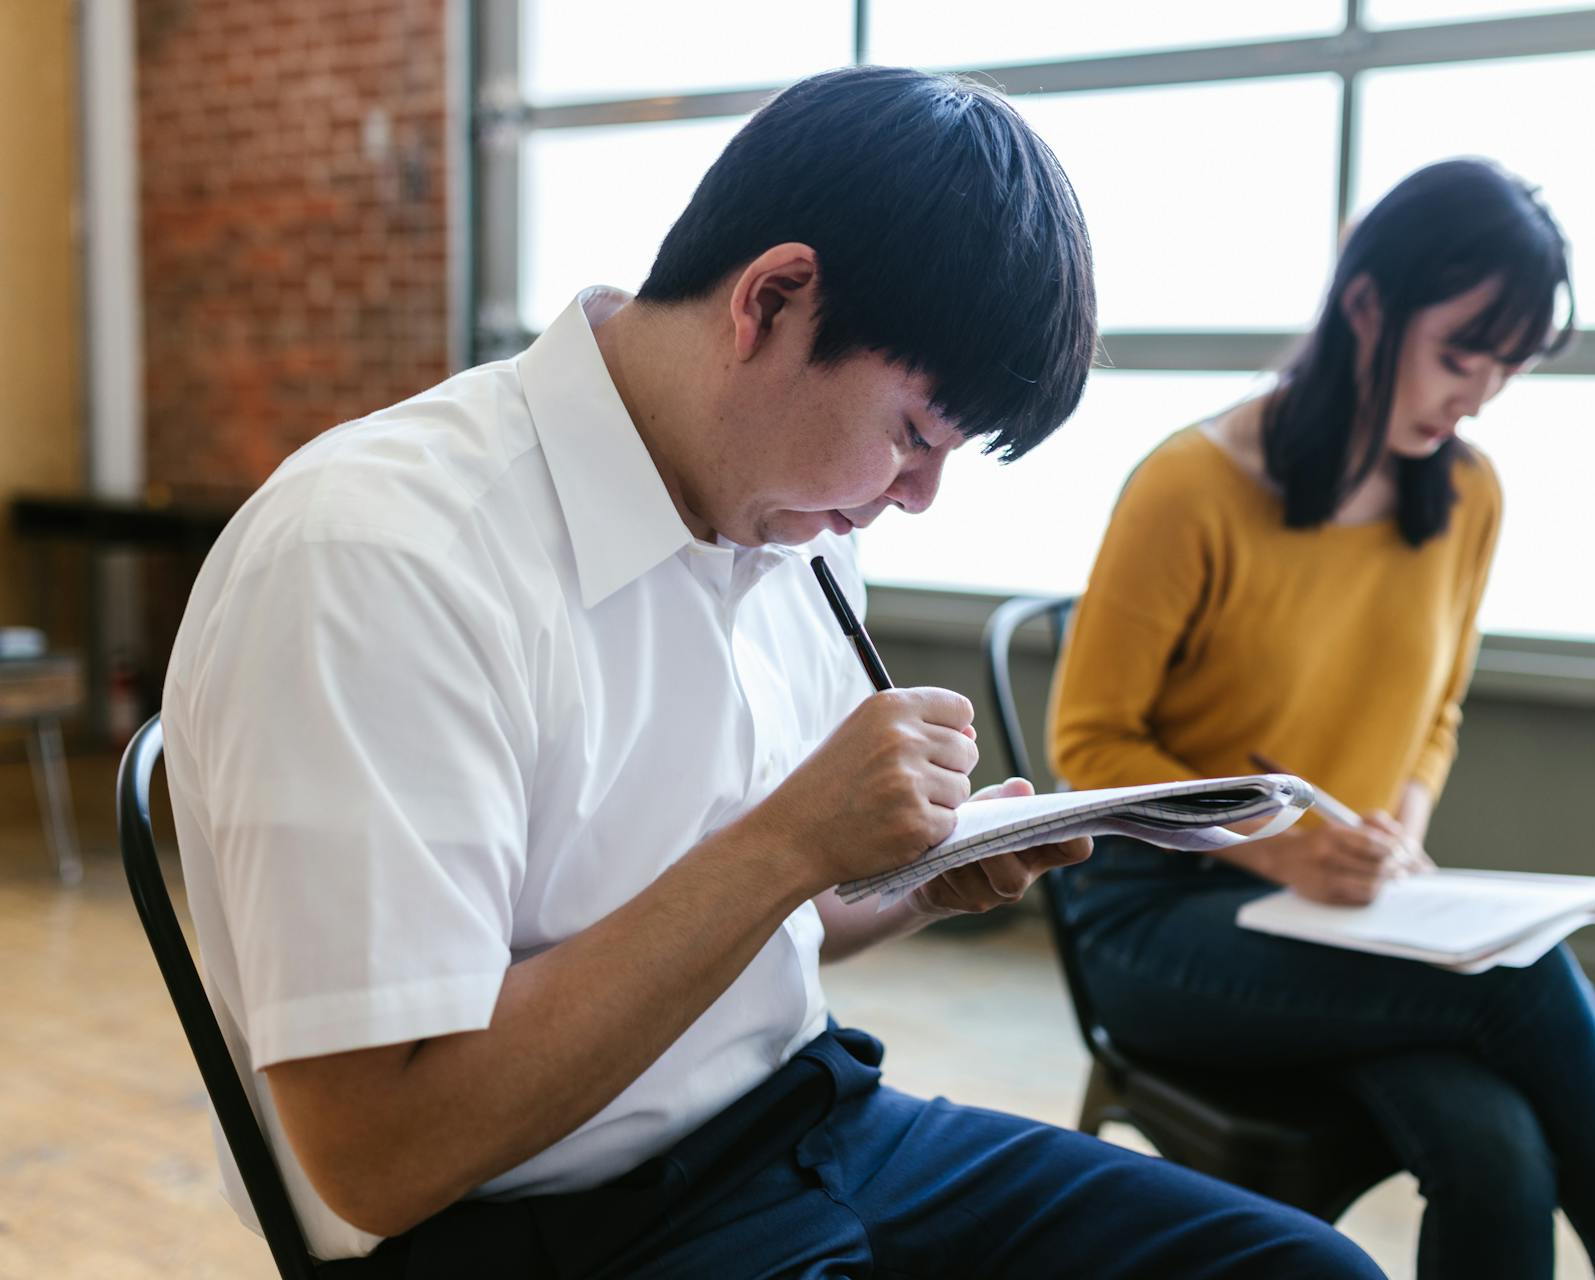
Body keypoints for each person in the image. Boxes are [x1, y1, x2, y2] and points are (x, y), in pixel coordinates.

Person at [162, 67, 1382, 1279]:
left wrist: (912, 876)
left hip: (802, 1126)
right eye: (915, 434)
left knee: (1308, 1270)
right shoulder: (381, 557)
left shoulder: (793, 524)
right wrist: (793, 841)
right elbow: (381, 1151)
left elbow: (758, 927)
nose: (913, 498)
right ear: (773, 298)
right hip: (540, 1229)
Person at [1049, 158, 1595, 1280]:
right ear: (1366, 308)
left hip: (1352, 921)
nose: (1480, 393)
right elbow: (1089, 744)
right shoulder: (1190, 486)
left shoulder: (1469, 494)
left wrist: (1395, 822)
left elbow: (1436, 710)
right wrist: (1279, 845)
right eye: (1461, 353)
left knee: (1498, 1149)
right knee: (1526, 975)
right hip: (1157, 916)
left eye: (1507, 366)